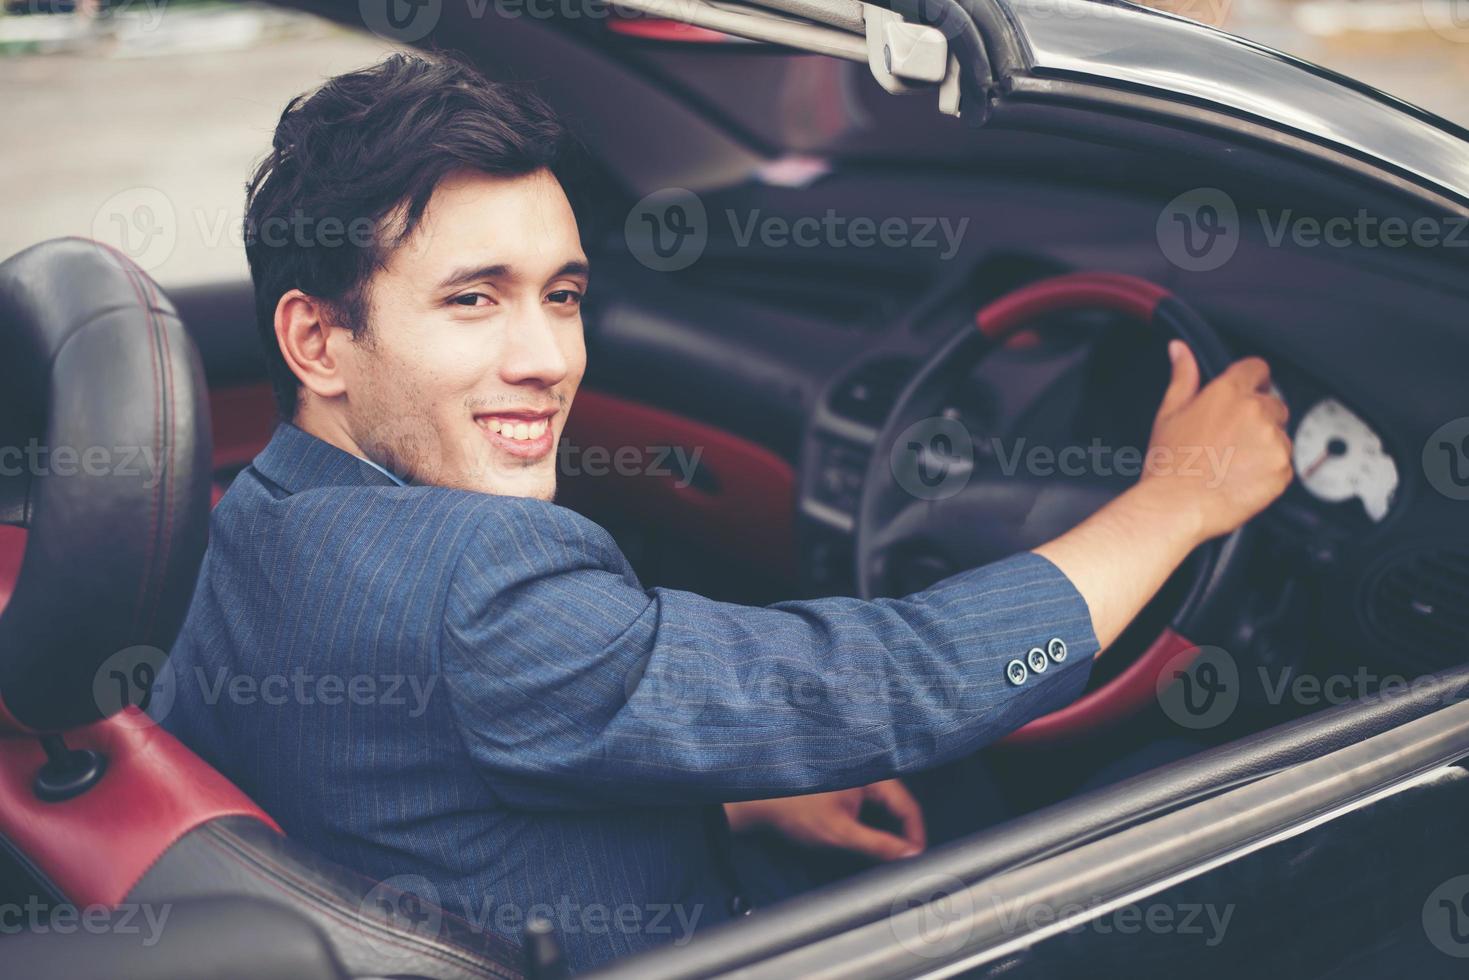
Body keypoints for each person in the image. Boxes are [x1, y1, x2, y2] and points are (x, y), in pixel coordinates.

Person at [163, 53, 1293, 972]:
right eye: (473, 300)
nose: (547, 358)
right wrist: (1174, 501)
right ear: (317, 341)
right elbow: (883, 680)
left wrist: (740, 807)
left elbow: (418, 778)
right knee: (1206, 856)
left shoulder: (248, 512)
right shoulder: (484, 583)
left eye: (561, 295)